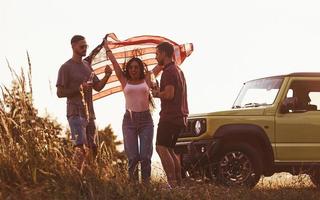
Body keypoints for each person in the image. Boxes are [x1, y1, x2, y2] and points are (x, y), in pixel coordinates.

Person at [103, 40, 163, 184]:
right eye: (131, 67)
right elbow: (115, 65)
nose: (134, 70)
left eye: (136, 67)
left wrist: (177, 51)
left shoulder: (147, 79)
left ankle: (146, 187)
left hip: (146, 121)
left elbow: (161, 64)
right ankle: (134, 188)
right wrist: (107, 49)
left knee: (145, 157)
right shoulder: (124, 80)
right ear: (128, 69)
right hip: (129, 121)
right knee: (133, 158)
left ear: (140, 69)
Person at [56, 35, 112, 170]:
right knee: (80, 147)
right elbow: (60, 93)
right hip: (75, 113)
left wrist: (107, 75)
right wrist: (79, 88)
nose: (84, 49)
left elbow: (97, 86)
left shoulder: (87, 66)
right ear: (73, 46)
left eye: (86, 46)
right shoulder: (65, 67)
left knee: (92, 149)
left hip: (90, 114)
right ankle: (74, 175)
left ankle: (90, 178)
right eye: (82, 46)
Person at [151, 42, 189, 188]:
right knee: (170, 149)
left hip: (170, 116)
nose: (156, 57)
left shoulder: (169, 72)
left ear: (164, 54)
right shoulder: (177, 70)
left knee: (161, 147)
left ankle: (172, 183)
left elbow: (169, 94)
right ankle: (178, 184)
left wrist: (156, 94)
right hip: (180, 116)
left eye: (157, 54)